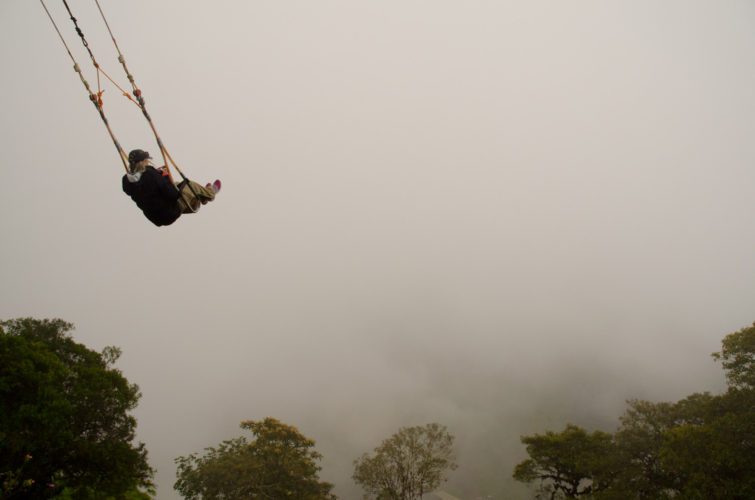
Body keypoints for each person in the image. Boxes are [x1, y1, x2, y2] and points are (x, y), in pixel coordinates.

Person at [122, 149, 220, 226]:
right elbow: (173, 194)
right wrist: (165, 175)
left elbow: (148, 189)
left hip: (155, 218)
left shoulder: (128, 181)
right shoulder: (150, 174)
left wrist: (161, 177)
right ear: (143, 161)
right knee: (189, 186)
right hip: (169, 212)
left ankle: (202, 197)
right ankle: (210, 193)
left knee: (177, 184)